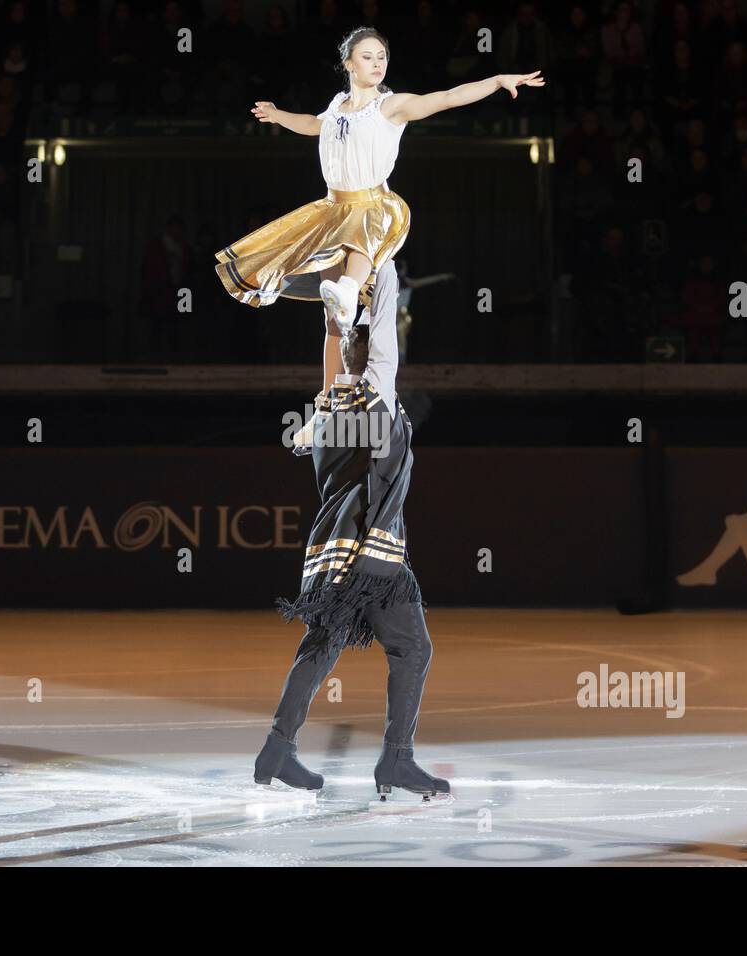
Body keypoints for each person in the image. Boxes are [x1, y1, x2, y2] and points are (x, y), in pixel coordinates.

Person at [214, 24, 542, 404]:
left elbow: (449, 96)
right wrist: (278, 114)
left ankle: (350, 290)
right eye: (367, 57)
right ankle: (326, 402)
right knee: (334, 324)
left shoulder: (390, 105)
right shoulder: (338, 105)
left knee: (359, 238)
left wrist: (498, 80)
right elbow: (312, 125)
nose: (377, 63)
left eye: (382, 56)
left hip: (372, 206)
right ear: (349, 64)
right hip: (333, 210)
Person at [255, 259, 449, 802]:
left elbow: (333, 331)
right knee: (413, 648)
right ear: (380, 359)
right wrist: (377, 252)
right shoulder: (378, 398)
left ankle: (277, 747)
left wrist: (337, 298)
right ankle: (396, 760)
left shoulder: (329, 406)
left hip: (329, 551)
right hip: (374, 555)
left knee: (321, 643)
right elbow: (380, 322)